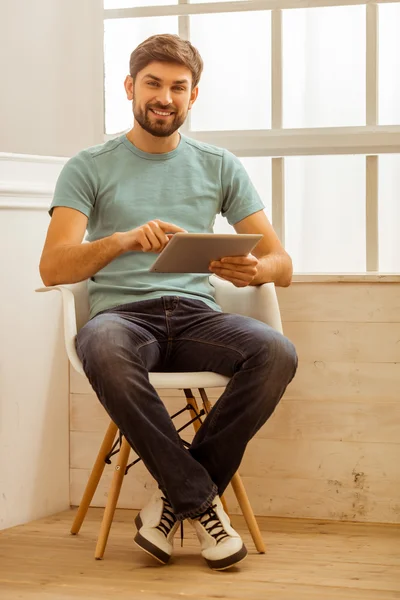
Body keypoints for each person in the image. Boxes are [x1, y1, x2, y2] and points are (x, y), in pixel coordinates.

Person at [39, 34, 297, 571]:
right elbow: (53, 266)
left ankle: (172, 498)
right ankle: (202, 505)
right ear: (131, 87)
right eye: (153, 84)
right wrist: (124, 240)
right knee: (103, 347)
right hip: (123, 321)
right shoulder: (88, 165)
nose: (165, 97)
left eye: (178, 87)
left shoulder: (218, 164)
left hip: (197, 316)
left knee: (277, 353)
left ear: (193, 96)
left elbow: (283, 264)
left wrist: (255, 270)